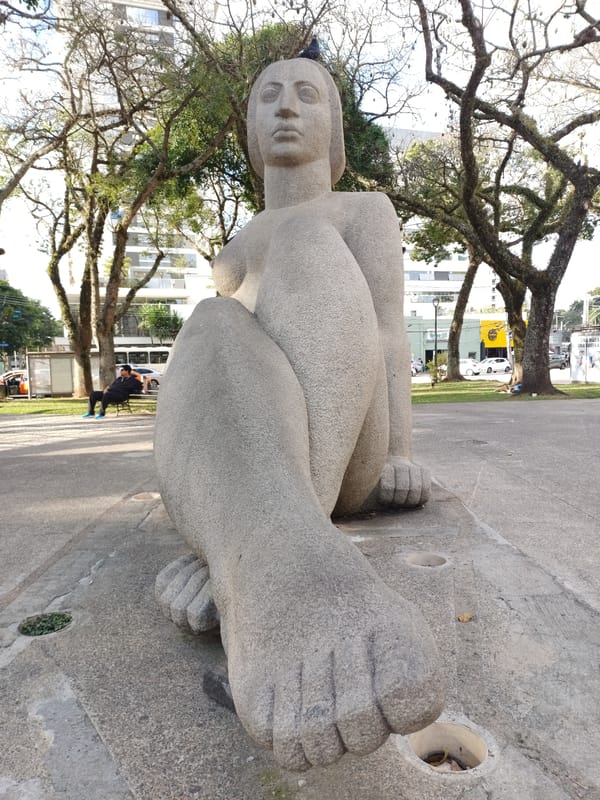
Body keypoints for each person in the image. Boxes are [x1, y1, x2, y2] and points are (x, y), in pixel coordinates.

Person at [154, 58, 445, 772]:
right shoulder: (232, 249)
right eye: (269, 97)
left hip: (346, 448)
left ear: (334, 128)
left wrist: (401, 453)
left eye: (307, 95)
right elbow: (230, 380)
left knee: (307, 243)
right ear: (252, 129)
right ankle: (259, 552)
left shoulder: (362, 212)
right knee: (211, 322)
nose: (286, 107)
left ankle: (270, 542)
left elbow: (384, 332)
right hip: (266, 441)